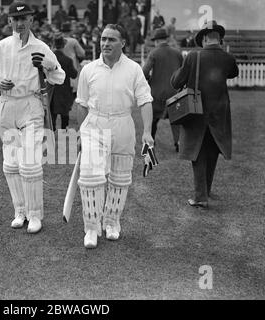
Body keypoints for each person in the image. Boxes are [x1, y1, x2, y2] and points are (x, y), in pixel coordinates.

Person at [0, 1, 65, 234]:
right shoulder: (1, 47)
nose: (20, 23)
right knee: (11, 164)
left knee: (30, 164)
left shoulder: (40, 47)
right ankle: (20, 212)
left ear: (31, 20)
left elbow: (59, 76)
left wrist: (48, 65)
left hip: (31, 105)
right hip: (7, 104)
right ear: (10, 21)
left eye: (24, 18)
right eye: (16, 19)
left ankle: (35, 215)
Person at [76, 24, 153, 248]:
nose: (105, 43)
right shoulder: (89, 69)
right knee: (90, 178)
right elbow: (81, 104)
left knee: (119, 179)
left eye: (111, 39)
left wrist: (147, 131)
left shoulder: (134, 69)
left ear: (123, 43)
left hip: (122, 124)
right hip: (94, 124)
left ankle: (112, 222)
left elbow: (145, 100)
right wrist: (81, 133)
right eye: (103, 39)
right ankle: (91, 228)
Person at [170, 20, 239, 209]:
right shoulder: (228, 58)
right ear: (219, 39)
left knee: (197, 153)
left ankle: (200, 197)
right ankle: (205, 190)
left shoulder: (193, 57)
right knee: (212, 150)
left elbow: (176, 82)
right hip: (219, 113)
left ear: (205, 39)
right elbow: (233, 74)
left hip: (196, 111)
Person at [142, 28, 183, 151]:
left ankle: (151, 143)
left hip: (156, 93)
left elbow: (144, 72)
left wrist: (150, 79)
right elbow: (183, 72)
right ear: (166, 39)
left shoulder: (154, 53)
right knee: (176, 121)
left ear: (156, 41)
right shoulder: (177, 53)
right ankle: (178, 144)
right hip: (175, 93)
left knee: (153, 120)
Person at [50, 33, 78, 130]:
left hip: (52, 90)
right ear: (64, 45)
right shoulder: (67, 60)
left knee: (52, 113)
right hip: (64, 89)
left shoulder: (49, 59)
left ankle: (52, 132)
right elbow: (74, 75)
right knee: (64, 113)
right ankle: (64, 130)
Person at [61, 22, 85, 94]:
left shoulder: (57, 40)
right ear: (70, 31)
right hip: (71, 67)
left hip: (60, 67)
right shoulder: (73, 41)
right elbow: (82, 53)